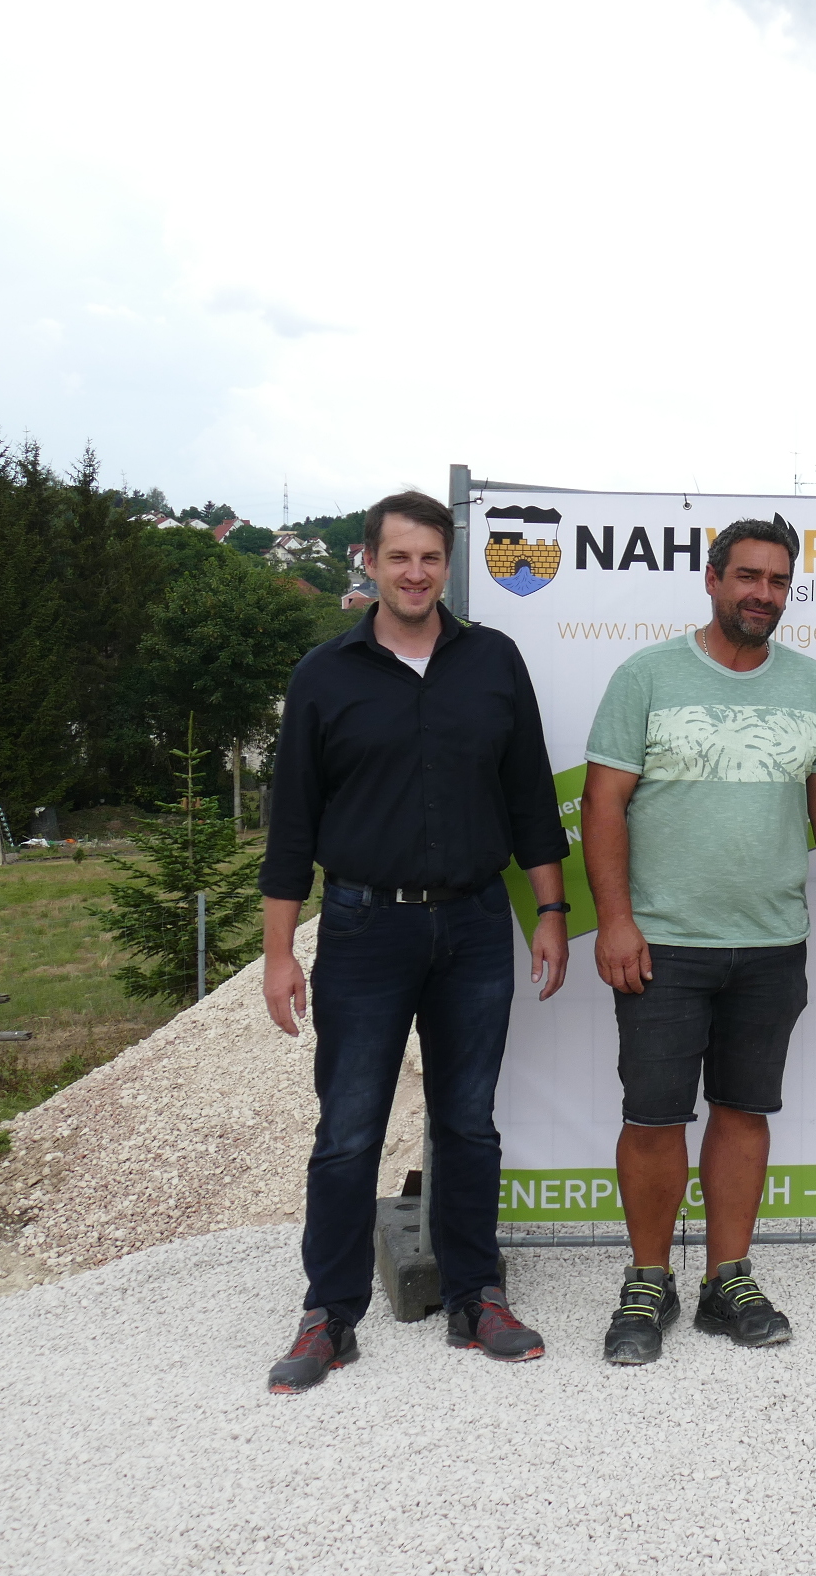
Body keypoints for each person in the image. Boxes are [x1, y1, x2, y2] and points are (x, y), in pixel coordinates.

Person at [258, 491, 573, 1395]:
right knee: (349, 1129)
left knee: (468, 1121)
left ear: (447, 565)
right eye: (398, 557)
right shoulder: (325, 676)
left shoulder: (493, 662)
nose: (415, 573)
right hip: (364, 928)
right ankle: (329, 1314)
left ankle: (477, 1297)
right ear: (368, 562)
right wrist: (279, 954)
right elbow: (291, 825)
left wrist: (550, 913)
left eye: (430, 557)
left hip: (474, 923)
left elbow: (529, 798)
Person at [581, 514, 816, 1365]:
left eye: (778, 581)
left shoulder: (812, 684)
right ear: (713, 579)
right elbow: (603, 803)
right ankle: (648, 1281)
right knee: (653, 1119)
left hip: (771, 942)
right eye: (748, 576)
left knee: (745, 1112)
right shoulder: (646, 676)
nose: (763, 594)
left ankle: (727, 1278)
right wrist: (616, 919)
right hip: (664, 943)